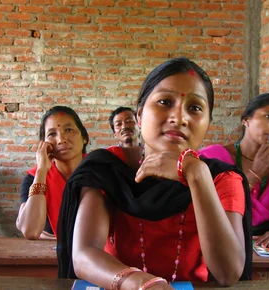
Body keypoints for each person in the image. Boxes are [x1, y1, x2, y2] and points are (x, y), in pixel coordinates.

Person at [57, 57, 252, 289]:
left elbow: (228, 273)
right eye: (164, 102)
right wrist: (141, 283)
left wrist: (196, 175)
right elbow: (84, 254)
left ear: (208, 122)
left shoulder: (220, 178)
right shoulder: (107, 169)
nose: (179, 118)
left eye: (195, 108)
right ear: (139, 116)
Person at [199, 93, 269, 248]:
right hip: (218, 245)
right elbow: (205, 208)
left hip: (264, 249)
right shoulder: (212, 158)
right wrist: (255, 174)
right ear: (246, 120)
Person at [16, 106, 89, 240]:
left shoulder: (101, 172)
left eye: (68, 130)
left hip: (97, 253)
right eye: (52, 134)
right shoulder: (33, 178)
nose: (61, 139)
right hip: (49, 255)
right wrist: (41, 171)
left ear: (84, 137)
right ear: (44, 144)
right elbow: (30, 231)